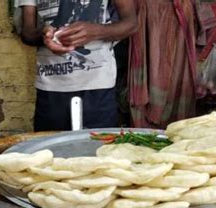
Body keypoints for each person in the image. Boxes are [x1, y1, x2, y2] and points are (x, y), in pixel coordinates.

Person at [15, 0, 137, 131]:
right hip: (50, 87)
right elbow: (28, 33)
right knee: (51, 147)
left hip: (98, 85)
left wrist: (96, 31)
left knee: (97, 148)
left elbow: (131, 24)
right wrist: (46, 36)